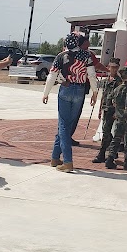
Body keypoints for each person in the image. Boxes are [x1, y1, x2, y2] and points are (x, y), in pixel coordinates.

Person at [42, 33, 98, 173]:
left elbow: (52, 76)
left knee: (63, 125)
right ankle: (55, 157)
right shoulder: (86, 56)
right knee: (67, 125)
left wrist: (46, 93)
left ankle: (67, 161)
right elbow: (91, 75)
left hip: (65, 90)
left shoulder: (61, 56)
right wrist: (95, 92)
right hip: (80, 90)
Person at [70, 35, 109, 146]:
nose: (88, 47)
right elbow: (96, 68)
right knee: (75, 113)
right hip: (81, 86)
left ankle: (63, 135)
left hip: (69, 85)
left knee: (67, 113)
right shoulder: (87, 54)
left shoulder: (69, 53)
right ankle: (67, 136)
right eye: (86, 45)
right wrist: (108, 71)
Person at [104, 66, 127, 171]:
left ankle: (110, 158)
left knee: (116, 138)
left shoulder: (117, 89)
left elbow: (112, 102)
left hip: (119, 118)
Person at [92, 58, 122, 163]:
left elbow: (120, 99)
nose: (112, 69)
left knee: (109, 132)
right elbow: (104, 96)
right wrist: (100, 109)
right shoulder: (106, 81)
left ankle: (103, 153)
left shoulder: (119, 82)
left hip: (114, 110)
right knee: (106, 132)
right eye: (111, 67)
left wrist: (116, 112)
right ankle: (111, 151)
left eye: (115, 67)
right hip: (106, 108)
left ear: (117, 68)